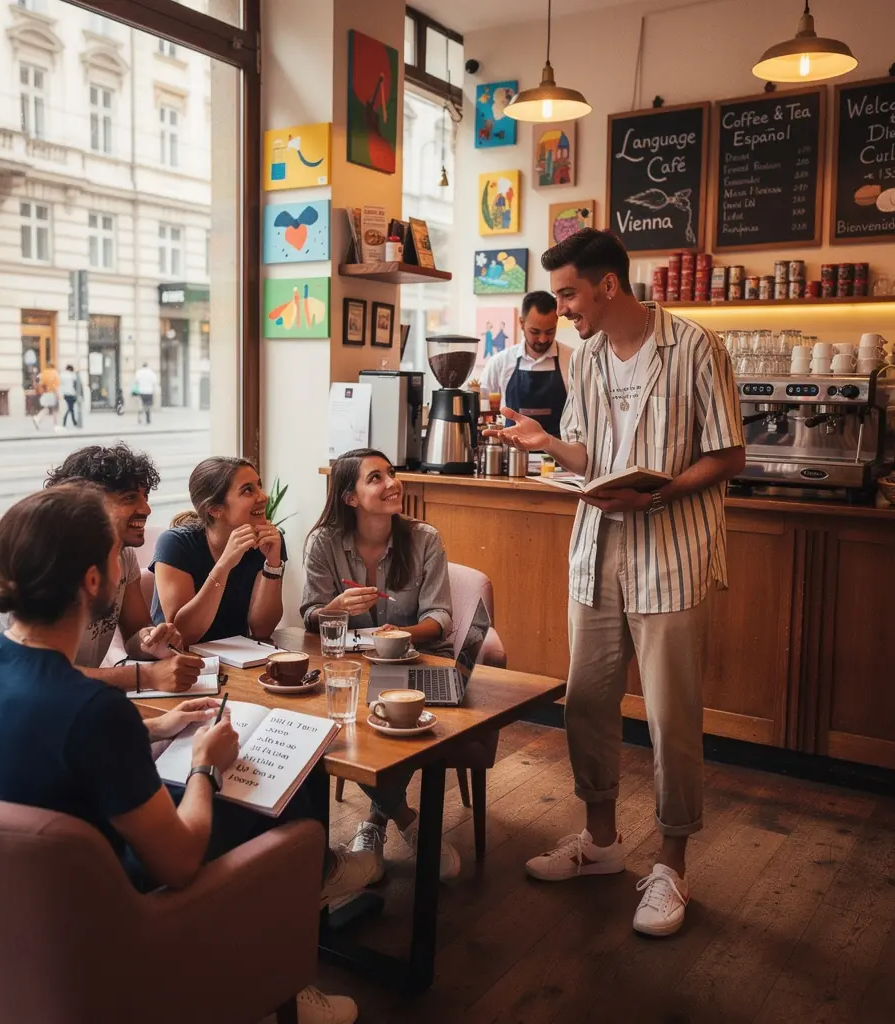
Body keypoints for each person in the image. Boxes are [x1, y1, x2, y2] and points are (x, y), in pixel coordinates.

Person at [0, 485, 364, 1024]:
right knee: (285, 800)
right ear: (92, 580)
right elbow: (178, 863)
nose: (124, 569)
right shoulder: (93, 712)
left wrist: (159, 726)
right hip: (104, 917)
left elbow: (39, 734)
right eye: (117, 556)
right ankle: (282, 981)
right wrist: (204, 765)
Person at [487, 228, 745, 937]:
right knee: (588, 704)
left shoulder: (696, 347)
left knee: (670, 718)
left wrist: (655, 495)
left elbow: (729, 454)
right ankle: (600, 843)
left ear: (607, 285)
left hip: (671, 553)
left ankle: (671, 866)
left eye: (569, 294)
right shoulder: (590, 358)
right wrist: (547, 445)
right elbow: (588, 453)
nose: (562, 309)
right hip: (596, 550)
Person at [300, 448, 461, 882]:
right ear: (350, 497)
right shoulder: (323, 542)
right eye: (376, 478)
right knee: (342, 722)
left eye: (391, 473)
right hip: (354, 665)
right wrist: (335, 607)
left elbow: (440, 619)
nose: (392, 483)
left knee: (395, 720)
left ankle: (373, 821)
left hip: (418, 660)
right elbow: (311, 615)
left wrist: (397, 635)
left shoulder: (424, 538)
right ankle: (405, 818)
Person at [0, 444, 200, 695]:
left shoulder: (124, 555)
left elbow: (134, 635)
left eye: (145, 496)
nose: (146, 509)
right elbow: (46, 674)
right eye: (130, 498)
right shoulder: (48, 562)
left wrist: (151, 640)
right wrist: (146, 676)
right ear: (87, 504)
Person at [151, 457, 287, 646]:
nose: (264, 497)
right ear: (215, 509)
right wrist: (224, 565)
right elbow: (181, 636)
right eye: (248, 490)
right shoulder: (175, 544)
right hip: (174, 658)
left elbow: (261, 630)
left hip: (236, 658)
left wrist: (272, 565)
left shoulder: (266, 541)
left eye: (259, 486)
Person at [472, 291, 572, 439]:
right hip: (512, 450)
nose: (543, 339)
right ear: (521, 323)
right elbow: (482, 409)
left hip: (558, 452)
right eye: (535, 332)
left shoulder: (572, 360)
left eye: (550, 331)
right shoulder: (500, 362)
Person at [33, 361, 61, 431]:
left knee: (47, 408)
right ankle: (55, 426)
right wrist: (57, 394)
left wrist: (40, 389)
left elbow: (37, 381)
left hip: (45, 393)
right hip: (52, 394)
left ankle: (37, 418)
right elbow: (55, 386)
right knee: (54, 409)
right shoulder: (55, 373)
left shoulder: (43, 373)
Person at [60, 364, 80, 428]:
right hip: (71, 394)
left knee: (71, 408)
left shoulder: (62, 375)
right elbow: (76, 382)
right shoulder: (72, 375)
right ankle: (66, 420)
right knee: (70, 408)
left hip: (66, 394)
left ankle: (74, 422)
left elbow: (61, 384)